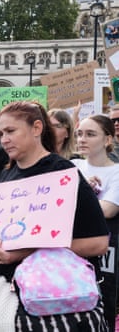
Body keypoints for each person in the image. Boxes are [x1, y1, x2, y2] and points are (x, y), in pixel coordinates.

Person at [0, 101, 109, 331]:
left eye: (11, 131)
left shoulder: (63, 173)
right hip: (11, 299)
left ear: (36, 128)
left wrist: (23, 252)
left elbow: (98, 242)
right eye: (0, 133)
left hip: (59, 306)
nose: (3, 140)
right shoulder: (6, 174)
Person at [71, 114, 119, 329]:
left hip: (105, 252)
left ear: (107, 140)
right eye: (79, 133)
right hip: (70, 249)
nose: (82, 139)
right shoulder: (71, 165)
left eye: (90, 134)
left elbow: (108, 209)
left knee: (102, 303)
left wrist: (79, 194)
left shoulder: (117, 171)